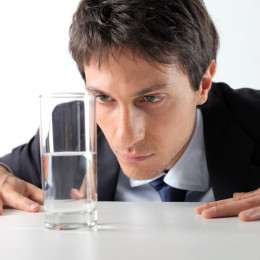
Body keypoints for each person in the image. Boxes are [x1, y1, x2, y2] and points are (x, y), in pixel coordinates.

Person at [0, 0, 260, 221]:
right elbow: (5, 172)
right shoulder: (70, 128)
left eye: (151, 97)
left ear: (203, 84)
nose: (124, 137)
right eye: (103, 97)